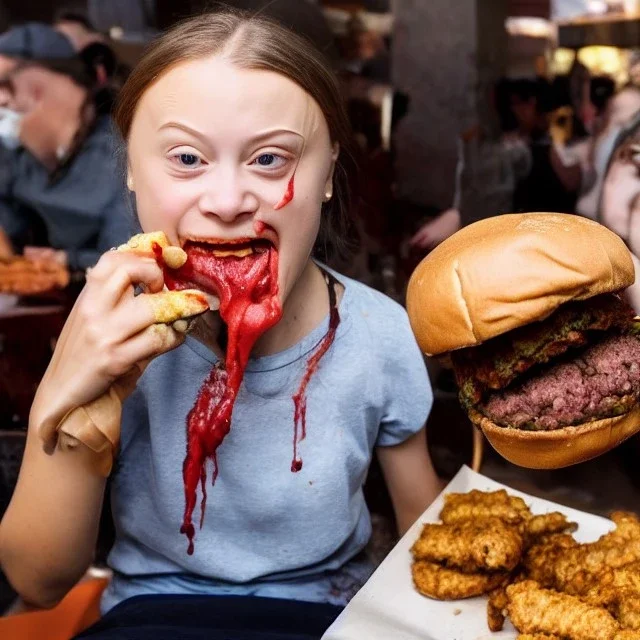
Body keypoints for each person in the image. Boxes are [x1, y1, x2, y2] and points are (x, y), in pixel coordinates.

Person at [0, 9, 440, 637]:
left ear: (328, 173)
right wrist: (72, 392)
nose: (228, 201)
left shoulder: (379, 333)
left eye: (269, 159)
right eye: (186, 158)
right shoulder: (112, 329)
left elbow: (430, 552)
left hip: (328, 615)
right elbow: (38, 581)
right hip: (152, 615)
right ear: (128, 167)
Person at [0, 23, 131, 272]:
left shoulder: (120, 156)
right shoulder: (21, 160)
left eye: (4, 88)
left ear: (38, 86)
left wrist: (67, 261)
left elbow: (129, 259)